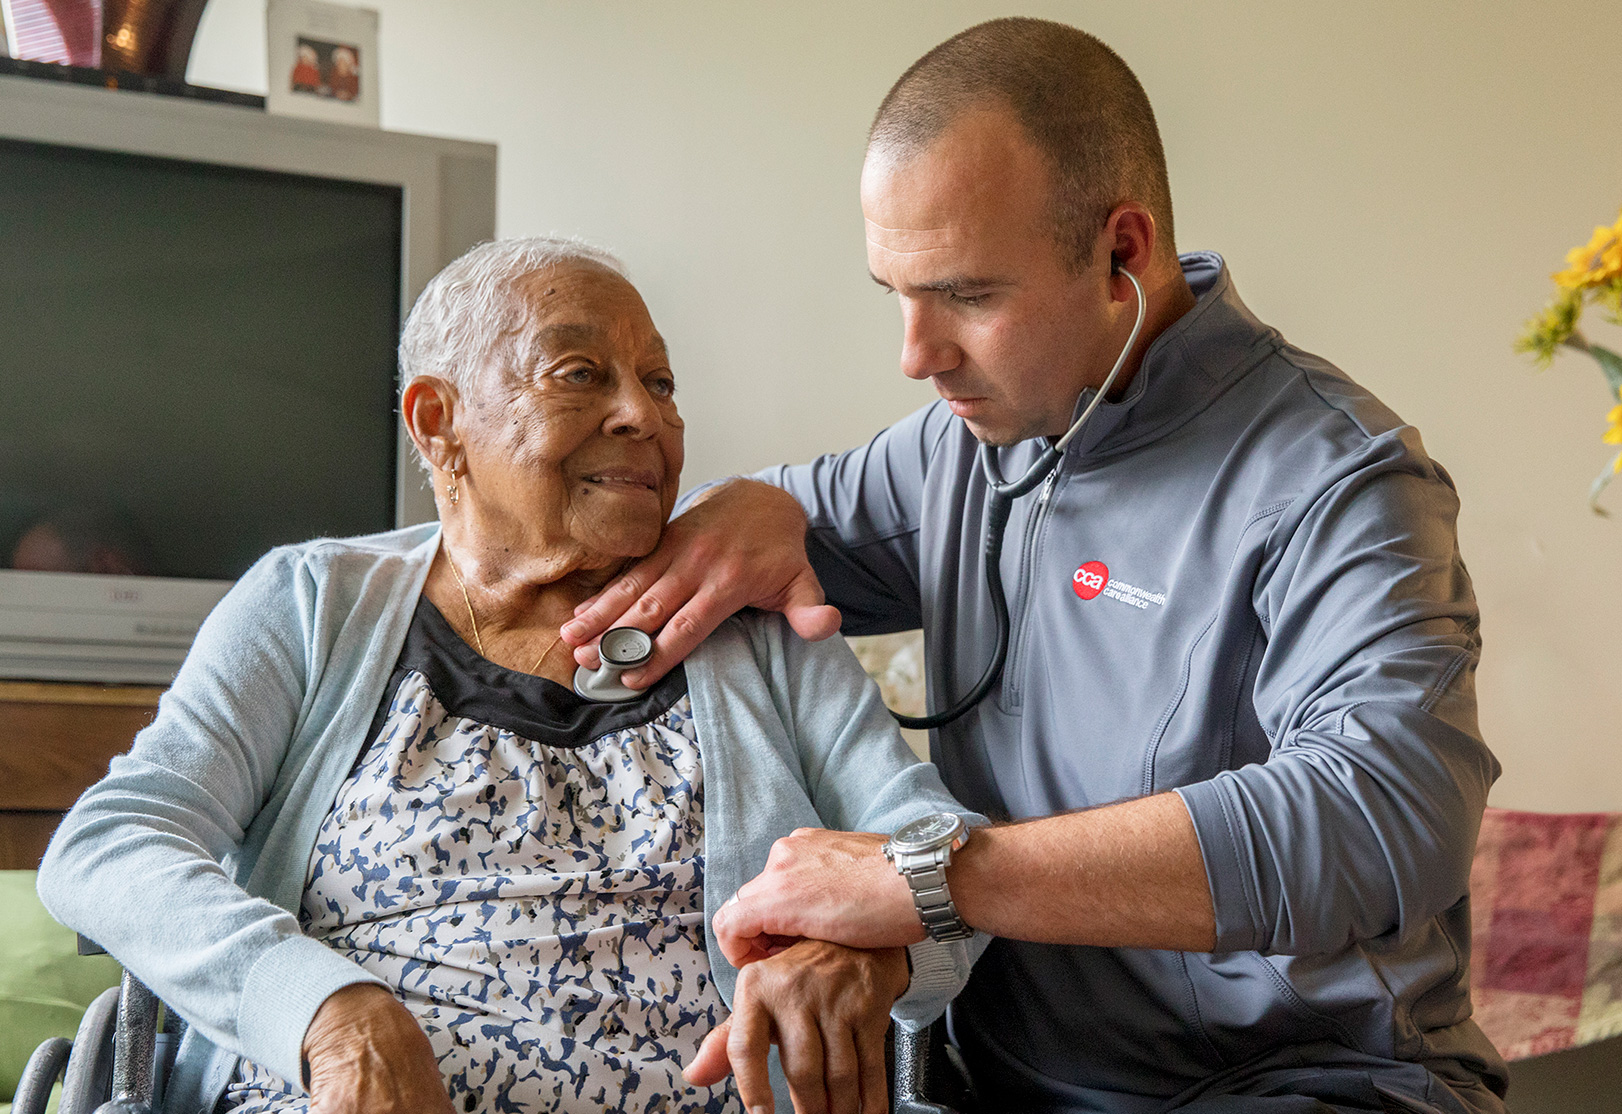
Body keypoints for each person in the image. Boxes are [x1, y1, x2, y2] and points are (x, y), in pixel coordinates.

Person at [561, 19, 1509, 1114]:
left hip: (1304, 1084)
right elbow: (777, 521)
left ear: (1122, 251)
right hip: (1000, 1087)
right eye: (895, 294)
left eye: (965, 296)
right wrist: (738, 507)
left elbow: (1382, 815)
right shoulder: (960, 447)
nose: (914, 356)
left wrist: (921, 880)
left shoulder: (1341, 479)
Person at [37, 237, 982, 1114]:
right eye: (582, 374)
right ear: (439, 421)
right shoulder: (312, 603)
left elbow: (941, 850)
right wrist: (327, 1011)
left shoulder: (756, 631)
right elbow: (114, 844)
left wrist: (868, 952)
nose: (642, 414)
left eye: (660, 382)